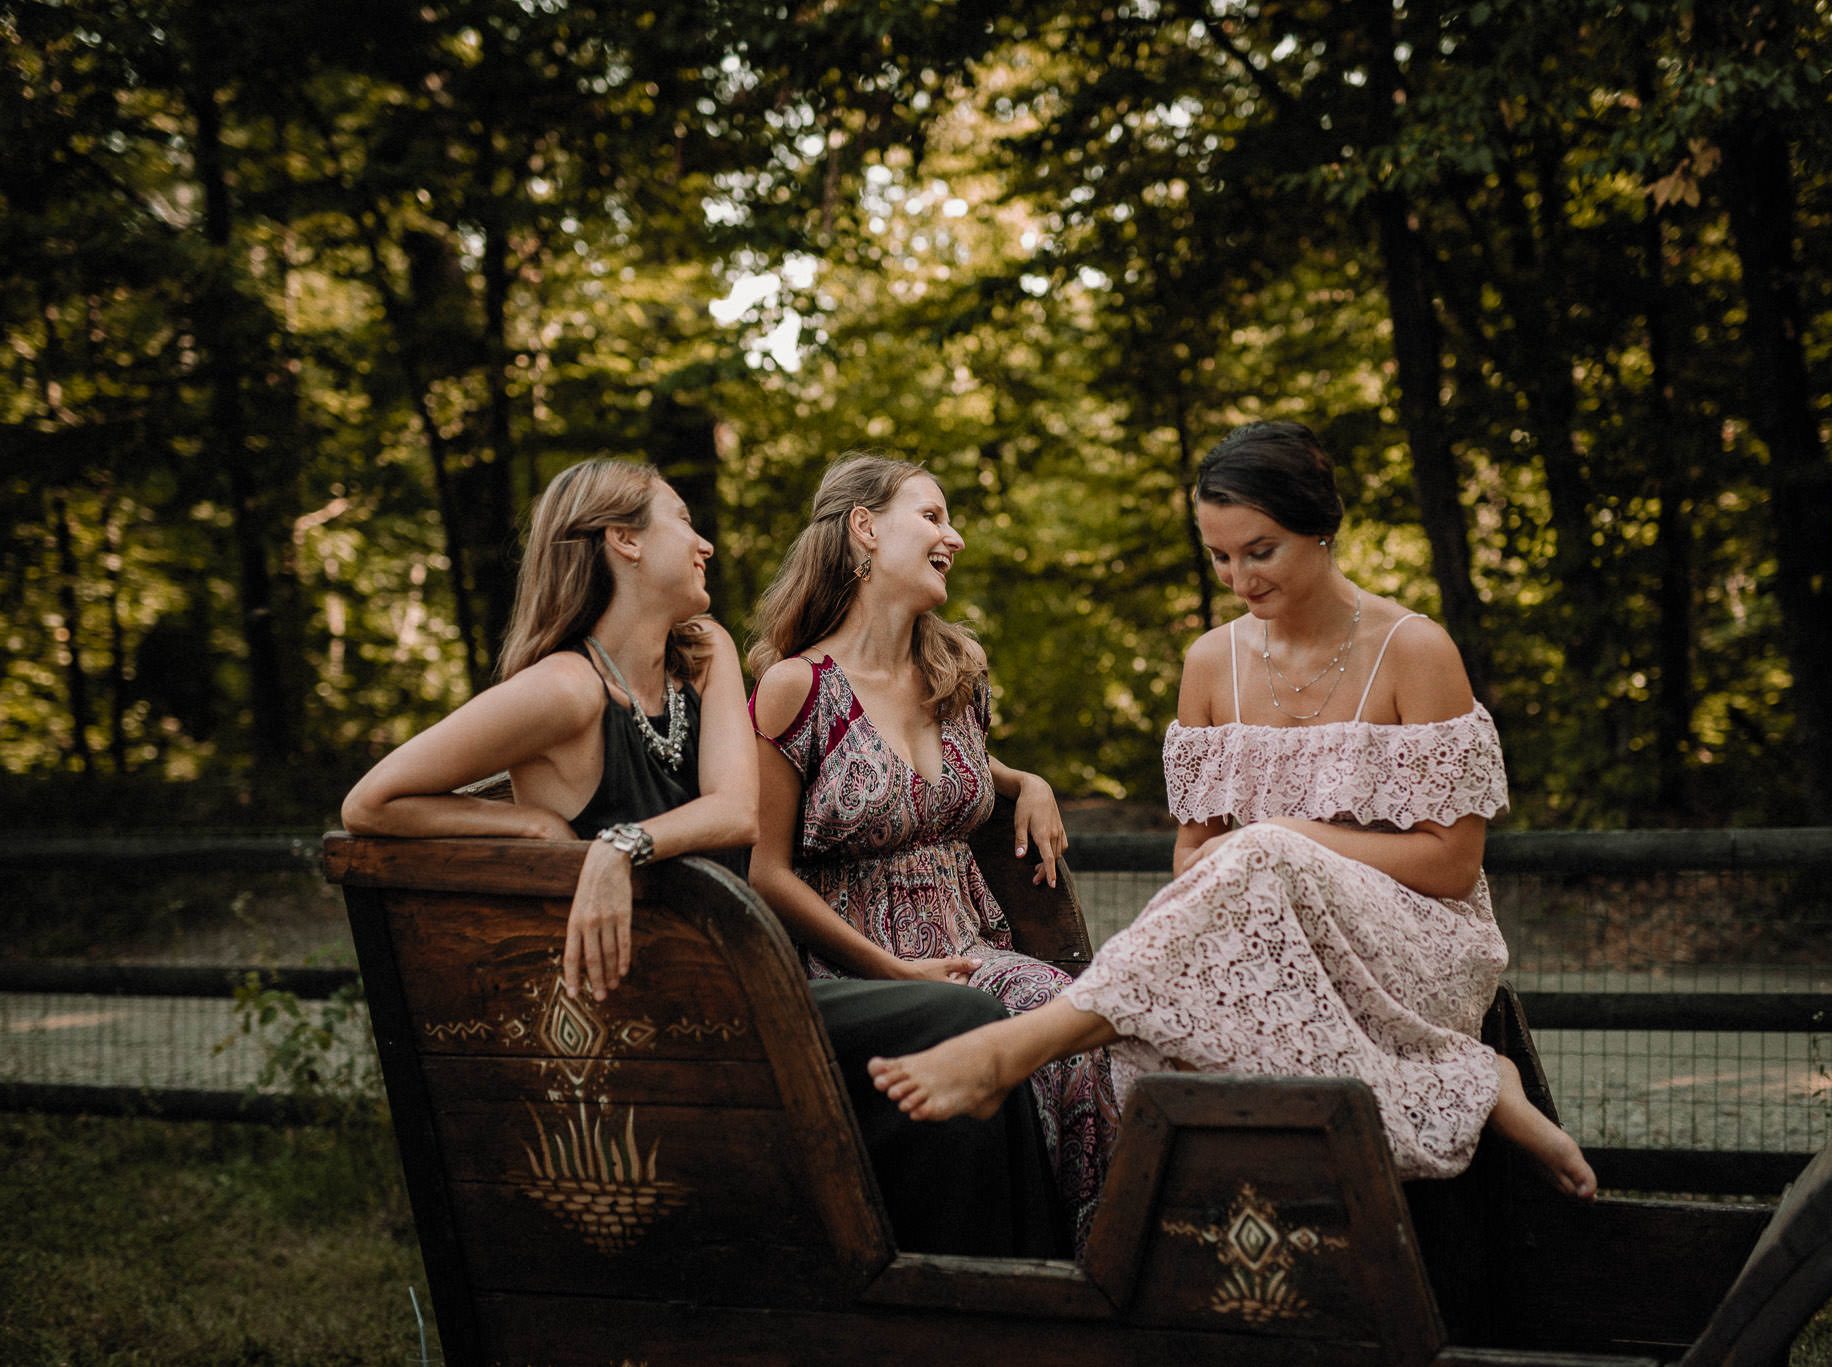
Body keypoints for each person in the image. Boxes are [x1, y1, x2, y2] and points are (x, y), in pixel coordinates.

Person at [341, 457, 1063, 1257]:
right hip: (656, 1000)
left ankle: (1002, 1278)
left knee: (968, 1030)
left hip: (751, 978)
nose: (706, 543)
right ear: (624, 541)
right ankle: (981, 1280)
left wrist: (621, 846)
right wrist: (535, 834)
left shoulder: (704, 652)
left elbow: (732, 807)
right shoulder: (563, 691)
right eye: (682, 520)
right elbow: (371, 802)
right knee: (957, 1017)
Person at [868, 422, 1598, 1202]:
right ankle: (1477, 1079)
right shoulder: (1210, 663)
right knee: (1187, 999)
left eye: (1261, 550)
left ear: (1321, 525)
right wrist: (1267, 856)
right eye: (1220, 556)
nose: (1239, 577)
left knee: (1262, 854)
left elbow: (1453, 866)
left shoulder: (1415, 649)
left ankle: (1010, 1051)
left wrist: (1289, 839)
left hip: (1414, 942)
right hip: (1264, 934)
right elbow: (1194, 858)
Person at [747, 453, 1116, 1243]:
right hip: (857, 967)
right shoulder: (797, 688)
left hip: (974, 944)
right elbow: (766, 871)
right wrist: (891, 971)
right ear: (865, 527)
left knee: (1089, 1024)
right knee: (1040, 1016)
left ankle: (1095, 1265)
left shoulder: (956, 671)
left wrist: (1028, 782)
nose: (955, 535)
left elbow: (945, 777)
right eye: (934, 515)